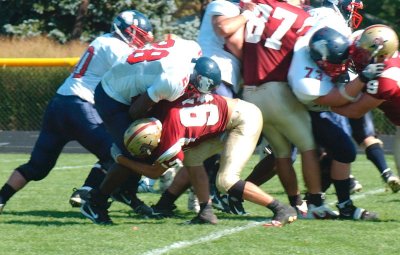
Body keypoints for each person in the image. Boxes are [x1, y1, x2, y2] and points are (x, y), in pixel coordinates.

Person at [0, 10, 153, 214]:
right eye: (139, 34)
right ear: (125, 30)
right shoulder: (116, 47)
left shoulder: (104, 41)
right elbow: (138, 75)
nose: (141, 40)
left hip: (60, 103)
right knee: (121, 152)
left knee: (38, 166)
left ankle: (2, 199)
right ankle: (89, 192)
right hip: (80, 106)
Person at [79, 36, 222, 224]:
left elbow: (169, 39)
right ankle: (96, 201)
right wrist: (149, 132)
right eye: (202, 86)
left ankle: (125, 190)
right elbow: (136, 110)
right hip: (112, 96)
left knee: (149, 145)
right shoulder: (174, 82)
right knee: (141, 146)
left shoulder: (191, 49)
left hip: (129, 80)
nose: (200, 92)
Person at [107, 90, 298, 227]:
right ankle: (206, 212)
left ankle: (281, 208)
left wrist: (121, 160)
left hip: (243, 119)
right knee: (191, 157)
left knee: (226, 181)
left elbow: (155, 172)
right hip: (227, 116)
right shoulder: (160, 107)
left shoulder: (170, 137)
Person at [239, 0, 338, 218]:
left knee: (281, 153)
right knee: (308, 147)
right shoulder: (301, 17)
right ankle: (315, 204)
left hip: (250, 92)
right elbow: (311, 50)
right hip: (277, 90)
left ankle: (295, 203)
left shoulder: (256, 6)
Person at [288, 23, 385, 220]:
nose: (341, 67)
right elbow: (338, 101)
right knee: (281, 157)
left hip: (321, 107)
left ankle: (335, 204)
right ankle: (227, 191)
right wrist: (364, 78)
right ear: (319, 61)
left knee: (341, 151)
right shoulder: (307, 80)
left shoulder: (327, 41)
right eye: (336, 63)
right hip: (303, 109)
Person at [331, 24, 400, 194]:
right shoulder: (389, 57)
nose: (357, 54)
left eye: (364, 51)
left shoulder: (385, 79)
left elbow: (356, 111)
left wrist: (325, 104)